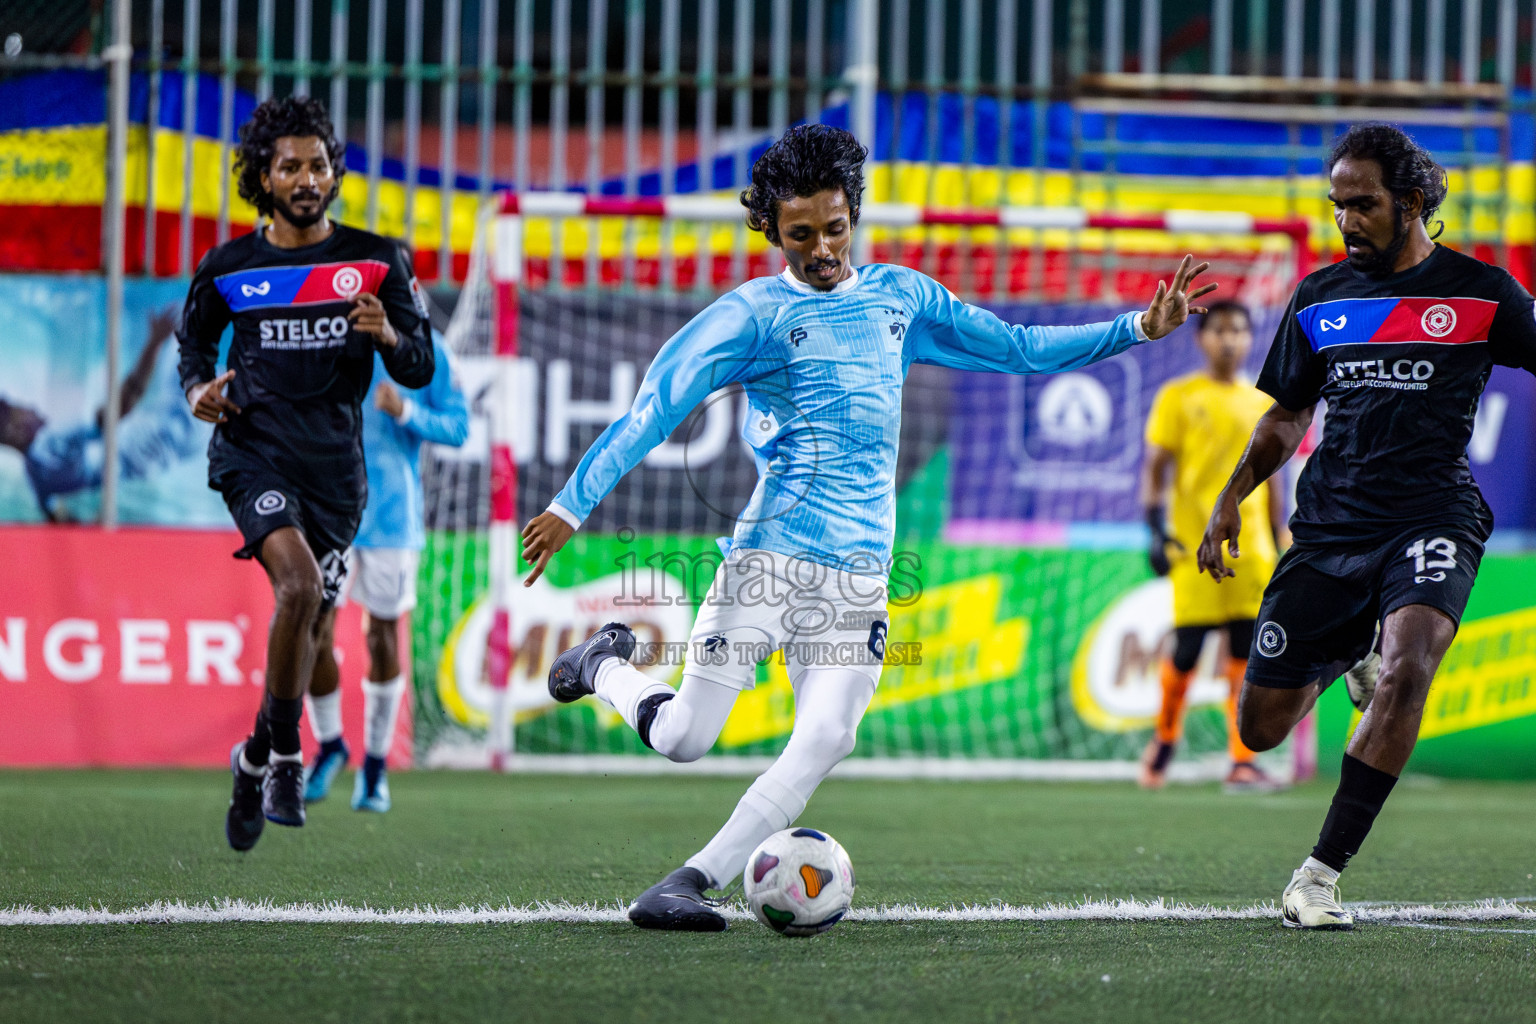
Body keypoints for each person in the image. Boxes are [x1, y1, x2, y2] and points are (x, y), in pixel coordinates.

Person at [520, 124, 1216, 931]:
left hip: (858, 577)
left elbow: (1020, 349)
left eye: (835, 227)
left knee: (827, 735)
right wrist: (573, 503)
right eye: (800, 234)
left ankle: (686, 883)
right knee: (683, 737)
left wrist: (1135, 328)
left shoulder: (902, 300)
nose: (822, 248)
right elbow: (658, 405)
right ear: (772, 232)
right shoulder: (753, 316)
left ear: (854, 213)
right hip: (767, 561)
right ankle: (604, 665)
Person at [1198, 123, 1536, 929]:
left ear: (1412, 203)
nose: (1345, 220)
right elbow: (1286, 415)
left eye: (1363, 205)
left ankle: (1318, 874)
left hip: (1433, 515)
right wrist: (1232, 495)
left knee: (1412, 662)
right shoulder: (1320, 297)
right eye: (1337, 205)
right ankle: (1353, 650)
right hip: (1328, 528)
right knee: (1262, 727)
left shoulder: (1484, 293)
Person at [176, 95, 433, 852]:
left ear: (333, 173)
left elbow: (417, 367)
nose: (306, 177)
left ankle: (252, 755)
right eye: (289, 165)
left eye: (318, 164)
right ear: (263, 175)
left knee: (313, 622)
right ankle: (288, 757)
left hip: (335, 480)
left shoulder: (378, 260)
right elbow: (194, 348)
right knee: (297, 589)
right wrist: (199, 391)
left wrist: (387, 330)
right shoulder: (229, 268)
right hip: (252, 452)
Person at [302, 305, 469, 813]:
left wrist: (407, 412)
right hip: (329, 512)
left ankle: (374, 766)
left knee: (381, 636)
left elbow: (458, 428)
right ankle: (330, 744)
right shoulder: (328, 338)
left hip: (392, 520)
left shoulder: (426, 351)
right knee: (313, 629)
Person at [1139, 300, 1289, 792]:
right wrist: (1153, 529)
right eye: (1220, 330)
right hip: (1193, 545)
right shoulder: (1178, 396)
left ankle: (1242, 759)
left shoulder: (1264, 401)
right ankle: (1164, 737)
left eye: (1239, 331)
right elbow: (1155, 468)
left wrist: (1283, 537)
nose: (1230, 340)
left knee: (1248, 652)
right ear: (1201, 338)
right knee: (1187, 649)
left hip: (1254, 549)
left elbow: (1275, 476)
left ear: (1250, 339)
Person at [2, 308, 204, 522]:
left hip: (162, 452)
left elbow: (55, 517)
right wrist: (153, 344)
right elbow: (117, 411)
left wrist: (92, 528)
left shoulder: (34, 475)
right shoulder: (51, 440)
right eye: (21, 409)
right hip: (175, 427)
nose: (32, 408)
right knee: (192, 324)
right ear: (14, 430)